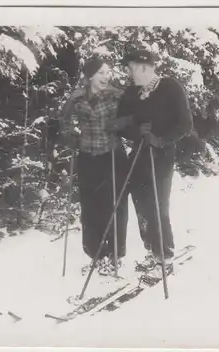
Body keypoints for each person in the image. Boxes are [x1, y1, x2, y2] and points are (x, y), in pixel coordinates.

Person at [113, 50, 193, 278]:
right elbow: (121, 123)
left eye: (131, 68)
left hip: (162, 156)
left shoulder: (170, 87)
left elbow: (185, 123)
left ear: (144, 68)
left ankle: (165, 257)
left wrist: (161, 140)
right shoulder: (132, 93)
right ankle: (151, 251)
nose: (129, 74)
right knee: (140, 203)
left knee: (157, 205)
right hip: (139, 153)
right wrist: (137, 131)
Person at [59, 56, 130, 276]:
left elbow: (133, 119)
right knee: (91, 209)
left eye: (108, 72)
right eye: (101, 72)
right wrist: (70, 137)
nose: (106, 76)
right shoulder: (76, 98)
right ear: (89, 76)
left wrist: (120, 124)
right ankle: (96, 256)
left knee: (115, 207)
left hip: (113, 157)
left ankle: (115, 256)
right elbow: (63, 123)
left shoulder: (117, 95)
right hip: (88, 159)